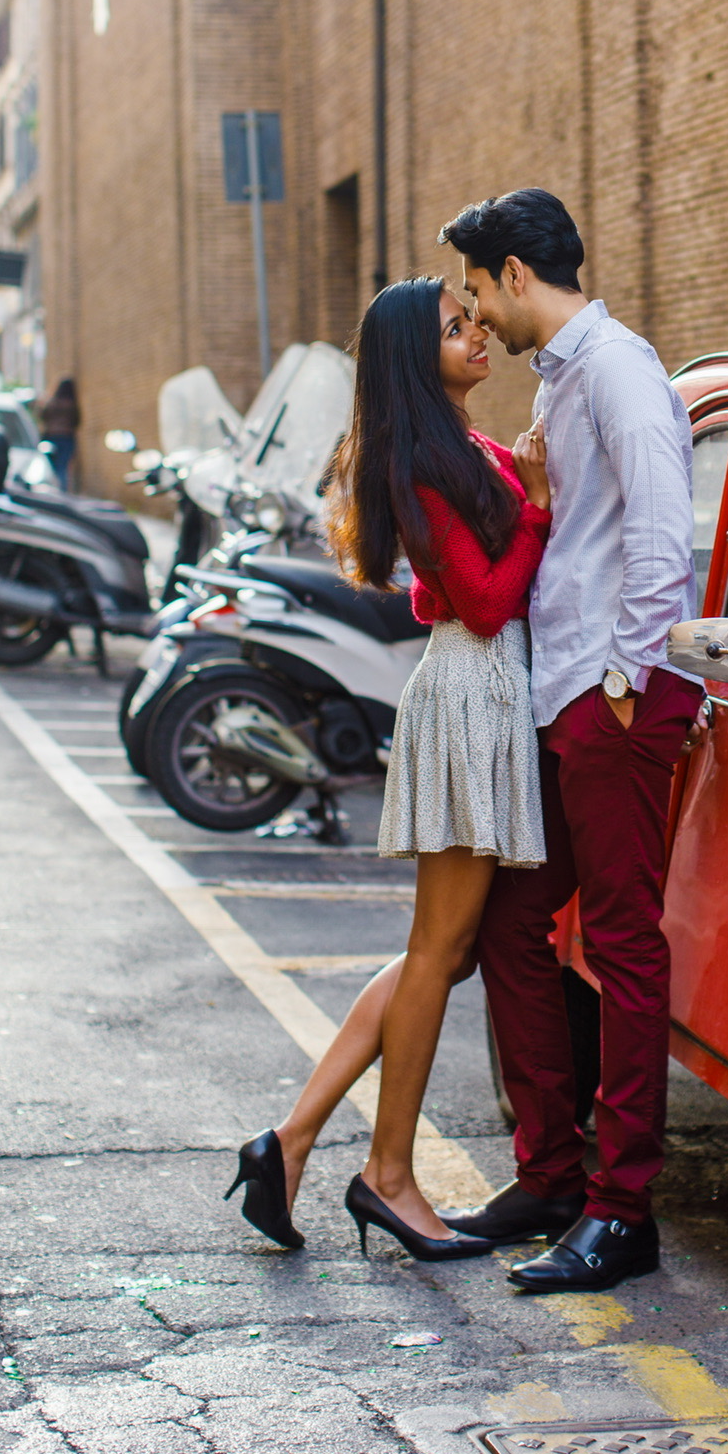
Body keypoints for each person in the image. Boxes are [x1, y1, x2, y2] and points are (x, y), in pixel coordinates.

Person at [224, 275, 552, 1260]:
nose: (476, 336)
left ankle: (289, 1145)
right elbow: (488, 603)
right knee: (436, 951)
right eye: (455, 331)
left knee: (439, 955)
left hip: (478, 691)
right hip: (470, 697)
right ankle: (388, 1176)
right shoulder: (421, 462)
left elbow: (435, 595)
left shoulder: (464, 449)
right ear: (420, 357)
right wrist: (534, 509)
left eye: (471, 322)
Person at [437, 188, 702, 1294]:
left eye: (476, 292)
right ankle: (548, 1175)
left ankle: (620, 1210)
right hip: (570, 692)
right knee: (510, 921)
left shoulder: (621, 369)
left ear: (511, 272)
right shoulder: (567, 379)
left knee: (628, 944)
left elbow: (662, 532)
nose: (477, 319)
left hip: (616, 692)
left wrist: (631, 679)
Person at [38, 377, 80, 489]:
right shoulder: (72, 405)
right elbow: (77, 421)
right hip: (66, 438)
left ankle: (50, 488)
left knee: (50, 467)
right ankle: (62, 490)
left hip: (51, 437)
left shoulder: (51, 403)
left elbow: (42, 416)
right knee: (63, 467)